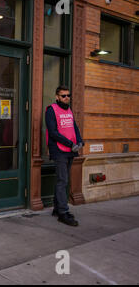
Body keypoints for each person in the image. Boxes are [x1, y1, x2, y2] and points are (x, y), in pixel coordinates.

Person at [45, 86, 84, 227]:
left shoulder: (69, 110)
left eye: (68, 95)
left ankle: (57, 208)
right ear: (57, 97)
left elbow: (74, 127)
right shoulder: (51, 110)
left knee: (63, 180)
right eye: (63, 96)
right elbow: (53, 132)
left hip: (71, 149)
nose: (66, 98)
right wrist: (70, 143)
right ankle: (63, 213)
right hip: (59, 150)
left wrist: (79, 141)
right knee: (63, 180)